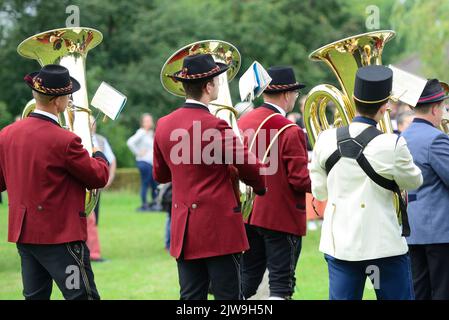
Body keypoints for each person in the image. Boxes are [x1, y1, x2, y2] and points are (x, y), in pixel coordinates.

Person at [153, 53, 266, 300]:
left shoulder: (163, 124)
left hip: (184, 229)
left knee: (191, 298)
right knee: (229, 298)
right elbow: (251, 167)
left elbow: (160, 175)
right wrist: (259, 186)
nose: (218, 85)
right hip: (219, 229)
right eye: (216, 80)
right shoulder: (216, 125)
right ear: (208, 86)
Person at [310, 65, 423, 300]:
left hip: (340, 244)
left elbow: (319, 192)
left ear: (352, 99)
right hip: (383, 246)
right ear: (385, 107)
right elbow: (414, 181)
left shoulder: (324, 139)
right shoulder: (392, 144)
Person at [0, 64, 109, 300]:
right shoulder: (66, 140)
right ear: (58, 101)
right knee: (82, 296)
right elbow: (99, 176)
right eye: (68, 97)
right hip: (61, 238)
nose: (70, 102)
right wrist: (95, 145)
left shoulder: (6, 134)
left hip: (25, 235)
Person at [238, 66, 311, 300]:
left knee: (247, 281)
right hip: (281, 217)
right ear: (287, 95)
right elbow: (299, 180)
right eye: (296, 94)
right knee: (281, 284)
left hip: (249, 214)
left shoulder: (243, 122)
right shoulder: (290, 129)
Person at [401, 79, 449, 300]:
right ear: (434, 108)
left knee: (419, 292)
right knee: (442, 291)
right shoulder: (436, 139)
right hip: (439, 232)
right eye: (444, 107)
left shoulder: (401, 137)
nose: (444, 112)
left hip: (412, 230)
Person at [86, 116, 117, 262]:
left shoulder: (101, 140)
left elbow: (111, 159)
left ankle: (92, 249)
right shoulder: (79, 137)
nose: (92, 125)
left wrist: (109, 179)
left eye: (93, 122)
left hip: (96, 187)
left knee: (94, 219)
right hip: (84, 185)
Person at [127, 113, 159, 211]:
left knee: (154, 183)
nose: (149, 122)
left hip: (150, 163)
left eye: (150, 120)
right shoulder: (141, 132)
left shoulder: (149, 133)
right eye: (147, 121)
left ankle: (154, 203)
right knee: (145, 183)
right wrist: (138, 152)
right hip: (144, 162)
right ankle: (144, 204)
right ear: (142, 123)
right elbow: (130, 142)